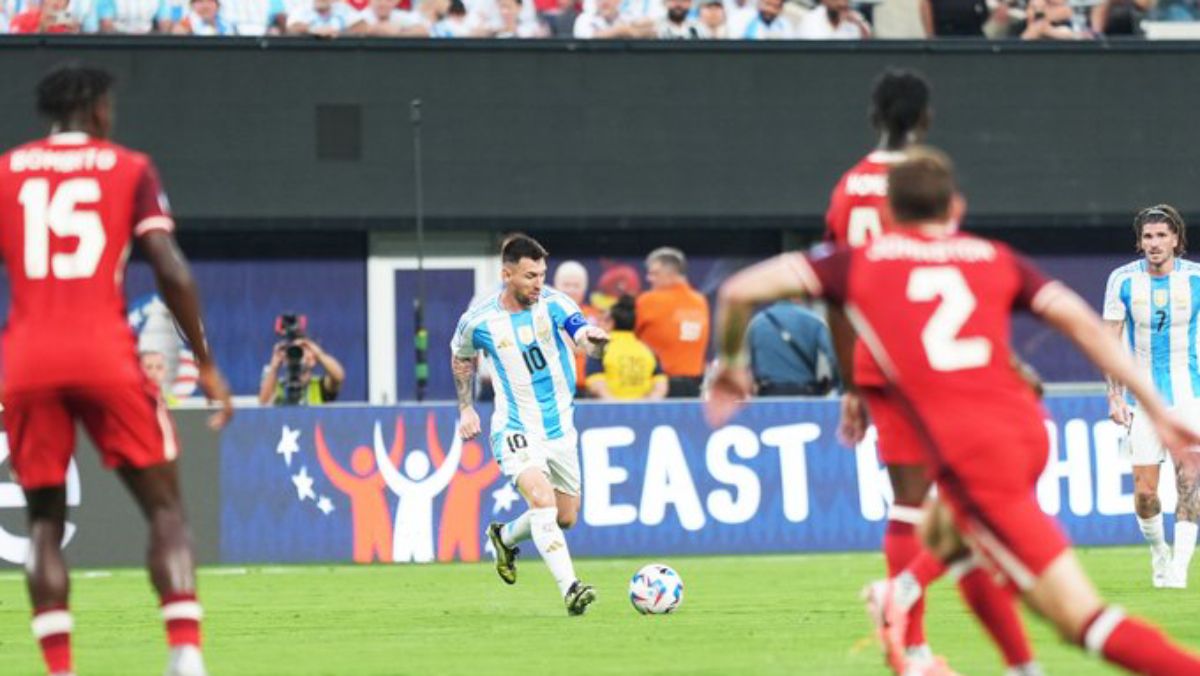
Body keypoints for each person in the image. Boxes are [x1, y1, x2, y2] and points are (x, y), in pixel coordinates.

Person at [707, 146, 1200, 676]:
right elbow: (1083, 326)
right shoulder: (993, 257)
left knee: (1080, 618)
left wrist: (733, 364)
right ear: (956, 207)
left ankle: (900, 596)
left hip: (972, 451)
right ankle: (933, 612)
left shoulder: (861, 263)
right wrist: (1152, 403)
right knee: (951, 537)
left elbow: (738, 290)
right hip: (1024, 430)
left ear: (891, 213)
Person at [0, 65, 234, 676]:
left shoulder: (7, 171)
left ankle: (59, 669)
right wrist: (205, 362)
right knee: (165, 511)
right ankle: (184, 657)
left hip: (27, 360)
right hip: (104, 352)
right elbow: (170, 267)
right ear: (100, 111)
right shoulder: (128, 167)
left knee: (44, 521)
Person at [824, 69, 1043, 674]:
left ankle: (911, 645)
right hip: (940, 365)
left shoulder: (848, 188)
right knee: (981, 499)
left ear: (874, 116)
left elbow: (835, 294)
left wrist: (850, 383)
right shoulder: (927, 183)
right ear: (925, 119)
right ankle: (927, 622)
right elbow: (954, 278)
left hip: (878, 365)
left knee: (910, 504)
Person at [452, 234, 609, 616]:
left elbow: (580, 333)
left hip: (559, 429)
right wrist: (466, 409)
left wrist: (596, 342)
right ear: (507, 274)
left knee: (565, 516)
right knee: (541, 500)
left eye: (541, 274)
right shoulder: (479, 320)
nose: (538, 283)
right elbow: (461, 357)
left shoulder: (554, 303)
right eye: (529, 276)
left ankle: (504, 537)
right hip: (515, 426)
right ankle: (571, 589)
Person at [1102, 205, 1200, 589]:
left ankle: (1179, 568)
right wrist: (1114, 396)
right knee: (1145, 494)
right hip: (1144, 403)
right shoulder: (1122, 281)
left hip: (1190, 397)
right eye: (1148, 237)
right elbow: (1109, 342)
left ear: (1176, 238)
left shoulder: (1196, 279)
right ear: (1139, 242)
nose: (1155, 244)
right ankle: (1159, 551)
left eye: (1162, 236)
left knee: (1189, 482)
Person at [635, 247, 710, 397]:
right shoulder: (700, 301)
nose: (649, 278)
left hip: (658, 387)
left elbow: (625, 338)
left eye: (654, 273)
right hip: (695, 386)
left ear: (672, 273)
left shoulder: (648, 301)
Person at [746, 300, 838, 396]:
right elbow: (834, 358)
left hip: (768, 394)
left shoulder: (757, 322)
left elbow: (745, 365)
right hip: (807, 395)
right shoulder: (814, 320)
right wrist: (837, 388)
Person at [586, 295, 668, 401]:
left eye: (602, 321)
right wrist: (647, 405)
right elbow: (661, 385)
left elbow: (596, 384)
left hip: (609, 413)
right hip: (642, 413)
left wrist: (615, 404)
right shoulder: (647, 350)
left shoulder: (599, 349)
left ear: (611, 323)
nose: (599, 324)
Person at [552, 260, 600, 395]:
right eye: (566, 285)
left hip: (586, 388)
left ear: (584, 289)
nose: (571, 290)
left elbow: (595, 348)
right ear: (556, 286)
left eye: (576, 285)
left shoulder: (595, 316)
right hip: (555, 388)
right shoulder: (544, 315)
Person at [258, 332, 345, 405]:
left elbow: (338, 376)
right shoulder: (279, 386)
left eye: (302, 350)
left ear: (313, 360)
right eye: (293, 350)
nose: (297, 355)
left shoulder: (320, 386)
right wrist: (274, 366)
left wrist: (318, 354)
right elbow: (264, 404)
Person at [795, 0, 870, 38]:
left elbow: (866, 50)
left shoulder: (856, 19)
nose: (841, 3)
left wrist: (860, 25)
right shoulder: (810, 20)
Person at [172, 0, 238, 33]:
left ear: (217, 5)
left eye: (210, 1)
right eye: (200, 1)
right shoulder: (184, 26)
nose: (205, 6)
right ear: (192, 5)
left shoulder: (229, 27)